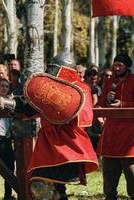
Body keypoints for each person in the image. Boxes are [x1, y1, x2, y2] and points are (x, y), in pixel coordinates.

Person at [26, 52, 98, 199]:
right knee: (54, 188)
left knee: (41, 187)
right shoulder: (51, 87)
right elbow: (30, 108)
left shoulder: (80, 89)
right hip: (47, 142)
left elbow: (84, 118)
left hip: (67, 144)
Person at [97, 53, 134, 200]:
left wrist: (123, 105)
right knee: (109, 171)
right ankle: (110, 196)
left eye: (120, 65)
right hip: (111, 133)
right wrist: (106, 99)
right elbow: (101, 103)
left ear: (127, 66)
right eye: (115, 65)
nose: (117, 68)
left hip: (130, 134)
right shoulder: (109, 82)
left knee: (131, 173)